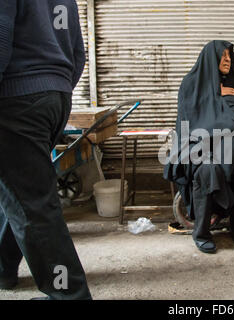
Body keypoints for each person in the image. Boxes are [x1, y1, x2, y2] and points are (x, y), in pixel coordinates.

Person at [0, 1, 92, 299]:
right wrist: (55, 88)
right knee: (19, 190)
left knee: (33, 204)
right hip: (54, 99)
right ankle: (4, 269)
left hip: (15, 98)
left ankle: (69, 295)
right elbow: (78, 53)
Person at [164, 40, 234, 254]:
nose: (227, 60)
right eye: (222, 56)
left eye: (229, 56)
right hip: (199, 146)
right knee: (208, 170)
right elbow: (192, 123)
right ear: (210, 59)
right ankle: (202, 233)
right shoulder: (192, 85)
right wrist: (214, 96)